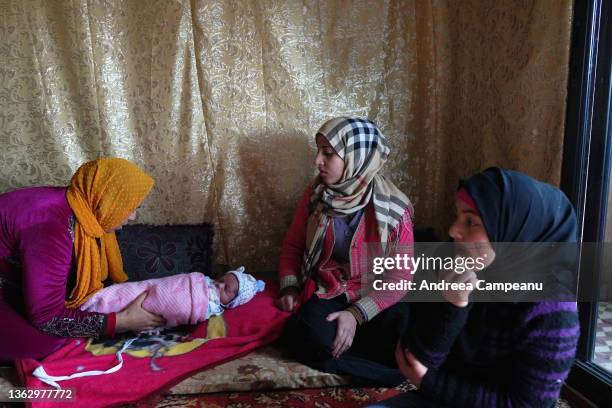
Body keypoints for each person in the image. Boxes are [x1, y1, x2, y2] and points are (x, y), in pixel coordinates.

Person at [373, 167, 580, 407]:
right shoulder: (464, 268)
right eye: (458, 217)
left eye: (471, 221)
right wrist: (454, 306)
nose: (453, 230)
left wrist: (430, 383)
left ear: (513, 231)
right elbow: (415, 358)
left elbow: (526, 405)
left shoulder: (553, 311)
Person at [276, 117, 415, 385]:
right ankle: (363, 361)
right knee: (305, 334)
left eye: (328, 154)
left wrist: (355, 314)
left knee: (403, 335)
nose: (317, 161)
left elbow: (400, 279)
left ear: (357, 158)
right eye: (318, 152)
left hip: (376, 295)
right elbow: (293, 245)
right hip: (331, 289)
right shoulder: (316, 195)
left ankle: (347, 351)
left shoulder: (395, 209)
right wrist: (290, 287)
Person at [0, 158, 163, 363]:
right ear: (106, 198)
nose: (132, 216)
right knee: (48, 341)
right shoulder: (52, 227)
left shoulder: (79, 206)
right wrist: (122, 322)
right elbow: (47, 317)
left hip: (9, 275)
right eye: (129, 206)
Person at [81, 266, 265, 328]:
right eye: (222, 279)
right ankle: (93, 304)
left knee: (128, 308)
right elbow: (172, 283)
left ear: (232, 303)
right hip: (152, 289)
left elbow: (187, 312)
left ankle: (94, 315)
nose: (220, 284)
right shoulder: (203, 281)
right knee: (125, 293)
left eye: (227, 288)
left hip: (162, 308)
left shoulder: (212, 309)